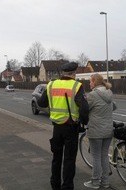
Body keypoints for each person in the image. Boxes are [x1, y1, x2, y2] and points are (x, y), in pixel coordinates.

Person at [38, 61, 89, 190]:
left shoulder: (51, 85)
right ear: (73, 73)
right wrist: (85, 122)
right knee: (69, 160)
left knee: (56, 158)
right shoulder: (77, 86)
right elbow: (83, 108)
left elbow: (41, 103)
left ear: (63, 73)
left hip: (56, 128)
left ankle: (55, 184)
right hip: (71, 127)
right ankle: (66, 186)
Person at [83, 73, 114, 189]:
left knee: (96, 156)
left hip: (96, 130)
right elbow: (113, 106)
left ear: (95, 82)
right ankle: (105, 183)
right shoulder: (109, 92)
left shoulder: (92, 95)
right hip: (108, 129)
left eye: (90, 81)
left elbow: (85, 109)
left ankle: (95, 182)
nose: (89, 83)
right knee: (104, 156)